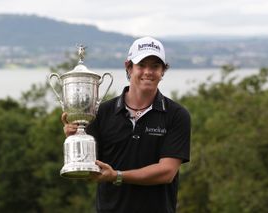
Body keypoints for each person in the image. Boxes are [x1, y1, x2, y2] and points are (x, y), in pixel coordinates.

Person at [62, 36, 191, 213]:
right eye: (141, 65)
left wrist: (117, 176)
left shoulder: (177, 115)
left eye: (155, 66)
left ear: (162, 71)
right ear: (129, 68)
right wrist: (75, 139)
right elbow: (89, 167)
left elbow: (166, 172)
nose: (148, 71)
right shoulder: (101, 112)